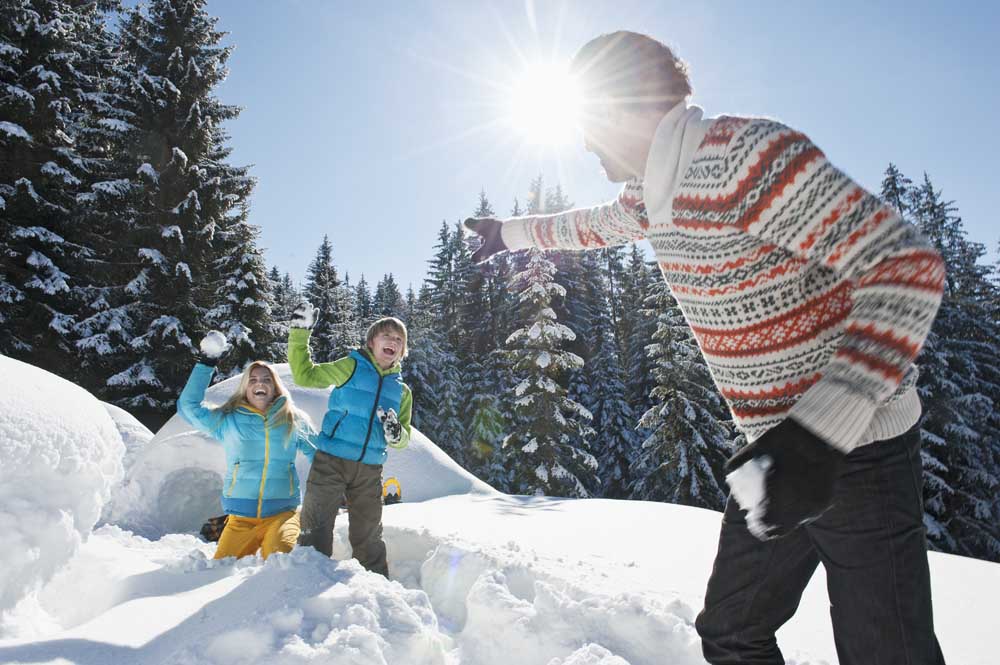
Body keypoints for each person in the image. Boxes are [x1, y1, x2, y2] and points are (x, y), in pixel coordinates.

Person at [464, 30, 946, 665]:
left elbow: (905, 266)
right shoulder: (650, 191)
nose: (582, 143)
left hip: (862, 452)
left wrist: (823, 430)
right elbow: (594, 225)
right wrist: (511, 232)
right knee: (730, 633)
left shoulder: (743, 154)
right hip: (777, 457)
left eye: (587, 121)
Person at [286, 307, 412, 578]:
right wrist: (299, 334)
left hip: (369, 470)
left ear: (403, 350)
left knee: (368, 534)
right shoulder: (352, 366)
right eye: (386, 336)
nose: (392, 342)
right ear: (371, 342)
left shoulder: (401, 391)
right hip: (331, 460)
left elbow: (403, 439)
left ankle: (376, 586)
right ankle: (306, 581)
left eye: (399, 339)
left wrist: (395, 433)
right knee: (315, 526)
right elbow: (305, 376)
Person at [177, 331, 317, 560]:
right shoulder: (227, 419)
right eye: (252, 380)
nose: (259, 383)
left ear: (275, 386)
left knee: (280, 559)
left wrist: (338, 490)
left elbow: (320, 456)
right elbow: (188, 407)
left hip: (283, 514)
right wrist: (207, 362)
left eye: (266, 379)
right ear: (244, 388)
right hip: (240, 518)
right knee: (219, 569)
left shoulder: (293, 419)